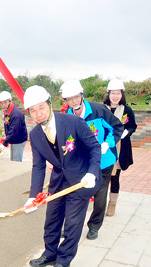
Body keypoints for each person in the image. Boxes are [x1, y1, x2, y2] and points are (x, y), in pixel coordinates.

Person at [24, 85, 101, 267]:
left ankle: (64, 259)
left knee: (73, 223)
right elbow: (39, 166)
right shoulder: (35, 135)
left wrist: (91, 173)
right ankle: (50, 253)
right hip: (58, 181)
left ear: (50, 104)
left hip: (82, 179)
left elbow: (94, 148)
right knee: (52, 220)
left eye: (41, 107)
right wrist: (33, 196)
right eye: (32, 110)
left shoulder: (73, 122)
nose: (38, 113)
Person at [60, 79, 123, 240]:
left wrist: (107, 144)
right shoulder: (66, 117)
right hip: (83, 163)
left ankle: (94, 226)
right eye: (69, 98)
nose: (74, 101)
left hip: (104, 160)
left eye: (76, 96)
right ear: (65, 100)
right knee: (77, 194)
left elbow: (117, 127)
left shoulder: (98, 110)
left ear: (81, 95)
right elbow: (69, 139)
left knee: (100, 194)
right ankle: (72, 226)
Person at [103, 79, 137, 216]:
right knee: (101, 176)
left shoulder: (126, 110)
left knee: (114, 177)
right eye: (113, 93)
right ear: (108, 94)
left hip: (119, 148)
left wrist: (126, 132)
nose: (115, 96)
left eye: (118, 93)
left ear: (122, 94)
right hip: (104, 148)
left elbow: (132, 126)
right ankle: (98, 202)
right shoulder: (101, 109)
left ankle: (112, 203)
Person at [0, 91, 28, 162]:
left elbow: (13, 131)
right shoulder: (7, 111)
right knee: (13, 160)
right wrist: (6, 139)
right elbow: (6, 123)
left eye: (5, 102)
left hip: (19, 140)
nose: (3, 105)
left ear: (10, 101)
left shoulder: (16, 114)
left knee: (16, 161)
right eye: (1, 103)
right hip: (14, 139)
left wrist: (5, 143)